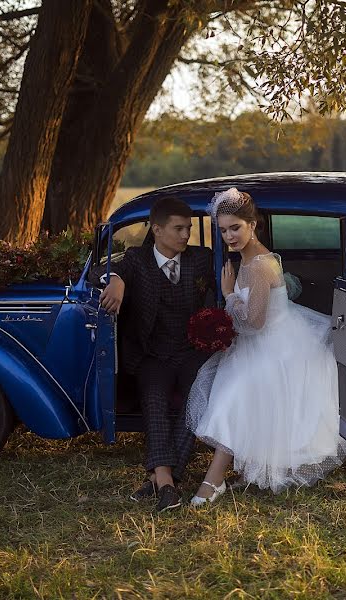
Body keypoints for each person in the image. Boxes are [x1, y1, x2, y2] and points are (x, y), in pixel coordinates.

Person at [186, 188, 346, 505]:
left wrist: (228, 294)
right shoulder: (247, 259)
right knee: (230, 397)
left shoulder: (259, 266)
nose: (229, 236)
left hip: (277, 346)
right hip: (259, 343)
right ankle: (216, 480)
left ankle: (212, 483)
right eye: (223, 230)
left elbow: (256, 322)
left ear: (253, 224)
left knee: (234, 398)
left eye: (235, 227)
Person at [98, 196, 215, 512]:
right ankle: (166, 483)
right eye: (178, 229)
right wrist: (118, 282)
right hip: (152, 354)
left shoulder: (200, 259)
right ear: (157, 230)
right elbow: (113, 270)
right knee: (153, 398)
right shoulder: (137, 260)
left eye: (188, 228)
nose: (185, 235)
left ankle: (162, 482)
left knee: (197, 400)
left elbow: (230, 270)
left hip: (191, 352)